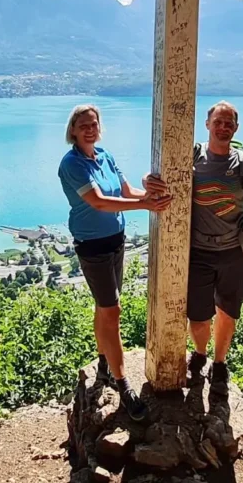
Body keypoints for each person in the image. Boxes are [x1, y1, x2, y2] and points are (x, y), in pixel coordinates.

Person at [145, 100, 243, 388]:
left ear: (236, 128)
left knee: (228, 313)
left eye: (229, 123)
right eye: (218, 122)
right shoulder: (192, 156)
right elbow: (161, 177)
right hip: (198, 252)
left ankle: (219, 364)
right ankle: (200, 355)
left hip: (232, 251)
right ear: (207, 125)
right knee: (199, 316)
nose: (223, 127)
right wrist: (147, 179)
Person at [58, 103, 171, 420]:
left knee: (104, 308)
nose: (89, 128)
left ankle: (105, 362)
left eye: (93, 123)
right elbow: (98, 202)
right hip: (92, 245)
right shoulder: (72, 164)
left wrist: (150, 196)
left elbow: (125, 191)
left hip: (115, 241)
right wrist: (146, 206)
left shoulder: (105, 156)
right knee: (113, 310)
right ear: (73, 131)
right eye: (83, 125)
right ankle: (123, 385)